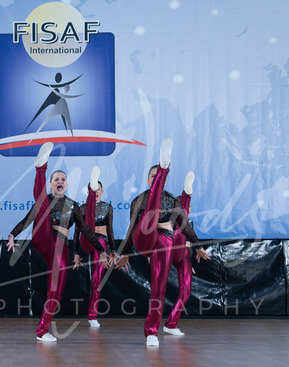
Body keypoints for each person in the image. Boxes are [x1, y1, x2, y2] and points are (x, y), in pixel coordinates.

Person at [7, 142, 110, 342]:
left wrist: (100, 249)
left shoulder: (72, 205)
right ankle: (41, 168)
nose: (60, 181)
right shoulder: (45, 199)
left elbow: (86, 230)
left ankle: (42, 330)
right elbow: (28, 220)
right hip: (44, 237)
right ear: (51, 184)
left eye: (63, 179)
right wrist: (13, 234)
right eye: (56, 179)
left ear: (67, 185)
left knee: (56, 291)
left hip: (60, 246)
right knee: (42, 204)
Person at [117, 139, 210, 346]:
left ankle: (160, 328)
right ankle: (151, 331)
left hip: (166, 243)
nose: (154, 179)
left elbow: (184, 226)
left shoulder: (172, 201)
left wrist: (197, 246)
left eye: (157, 176)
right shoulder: (138, 200)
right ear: (148, 179)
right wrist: (125, 252)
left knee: (163, 287)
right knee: (151, 207)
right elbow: (131, 229)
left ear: (164, 182)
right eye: (153, 176)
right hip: (146, 238)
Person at [73, 166, 116, 328]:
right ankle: (92, 314)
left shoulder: (108, 207)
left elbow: (110, 230)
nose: (97, 192)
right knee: (87, 222)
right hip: (87, 239)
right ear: (89, 192)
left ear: (102, 191)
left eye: (98, 189)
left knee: (97, 278)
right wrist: (75, 252)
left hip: (101, 243)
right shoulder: (82, 208)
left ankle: (92, 315)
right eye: (93, 189)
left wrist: (113, 250)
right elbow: (77, 232)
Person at [164, 172, 196, 336]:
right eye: (186, 206)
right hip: (168, 250)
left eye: (189, 207)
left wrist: (189, 264)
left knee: (186, 291)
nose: (188, 210)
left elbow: (189, 244)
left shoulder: (189, 224)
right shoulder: (171, 220)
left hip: (182, 254)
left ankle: (171, 324)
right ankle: (186, 194)